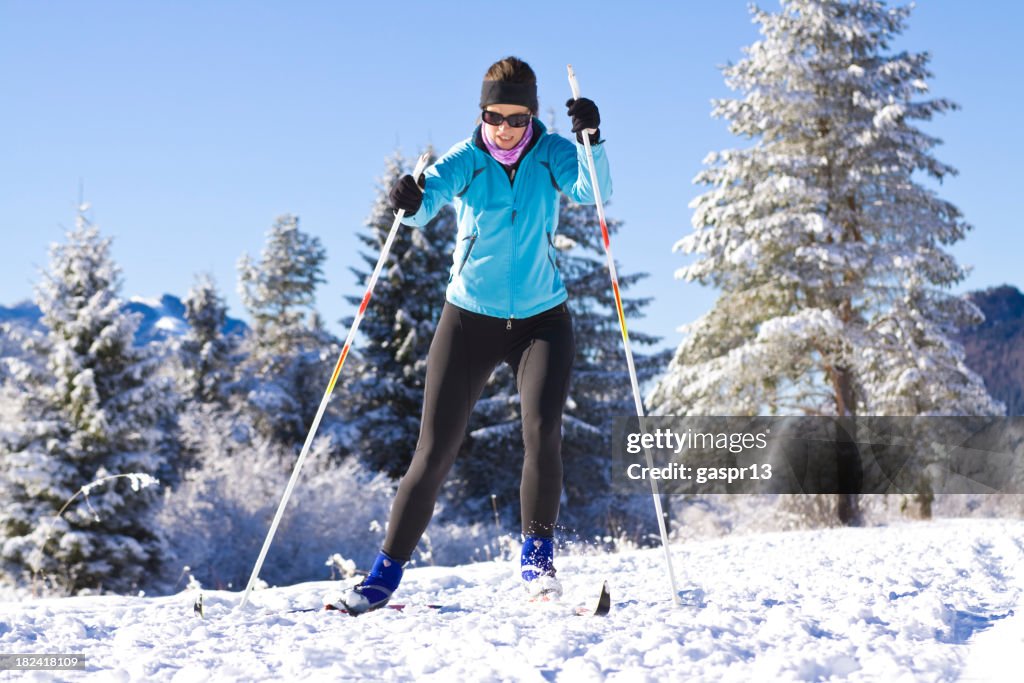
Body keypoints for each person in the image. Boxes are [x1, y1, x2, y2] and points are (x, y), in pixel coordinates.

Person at [341, 56, 611, 614]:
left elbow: (592, 192)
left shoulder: (553, 154)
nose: (506, 129)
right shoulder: (466, 159)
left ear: (533, 115)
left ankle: (537, 560)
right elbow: (426, 202)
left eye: (517, 118)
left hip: (542, 319)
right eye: (495, 116)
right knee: (435, 449)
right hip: (470, 318)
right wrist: (411, 203)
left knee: (542, 431)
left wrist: (591, 138)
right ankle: (382, 577)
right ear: (481, 113)